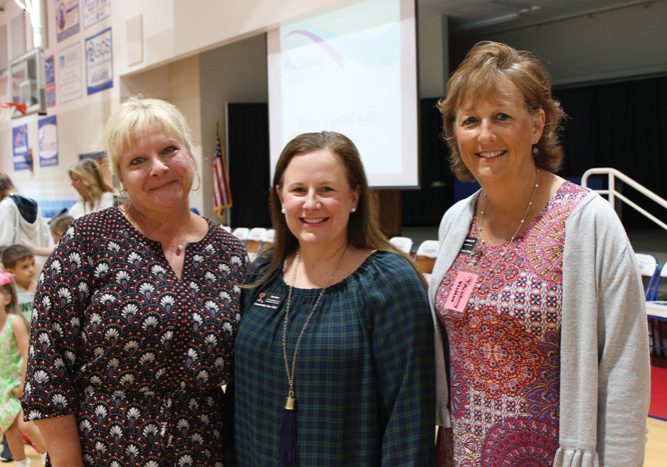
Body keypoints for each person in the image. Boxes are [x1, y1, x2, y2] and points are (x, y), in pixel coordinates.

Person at [431, 41, 650, 466]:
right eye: (470, 120)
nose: (485, 135)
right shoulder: (457, 220)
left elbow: (625, 368)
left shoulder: (587, 221)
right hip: (461, 454)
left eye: (502, 117)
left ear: (536, 124)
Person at [22, 96, 247, 466]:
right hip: (102, 452)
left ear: (190, 155)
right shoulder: (88, 240)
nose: (158, 168)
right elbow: (49, 368)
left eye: (169, 150)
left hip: (204, 451)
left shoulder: (228, 252)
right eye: (137, 161)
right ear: (120, 178)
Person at [235, 131, 435, 466]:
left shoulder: (389, 283)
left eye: (327, 190)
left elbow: (408, 420)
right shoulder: (263, 273)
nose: (311, 203)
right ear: (281, 196)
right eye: (299, 190)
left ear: (354, 196)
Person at [0, 271, 46, 467]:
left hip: (18, 381)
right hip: (2, 385)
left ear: (7, 297)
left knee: (25, 423)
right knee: (8, 427)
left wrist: (24, 382)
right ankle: (21, 463)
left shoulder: (15, 322)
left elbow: (28, 353)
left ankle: (48, 453)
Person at [0, 172, 51, 251]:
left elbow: (4, 241)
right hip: (38, 260)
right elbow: (45, 236)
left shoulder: (6, 205)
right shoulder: (33, 202)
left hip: (16, 261)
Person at [1, 245, 37, 323]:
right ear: (10, 272)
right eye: (25, 267)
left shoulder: (40, 287)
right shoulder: (9, 292)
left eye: (33, 264)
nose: (31, 269)